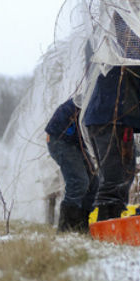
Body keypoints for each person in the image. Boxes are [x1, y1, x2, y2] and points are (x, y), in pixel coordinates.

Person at [83, 12, 140, 221]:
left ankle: (113, 223)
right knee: (114, 176)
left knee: (122, 172)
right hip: (114, 115)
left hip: (107, 115)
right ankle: (105, 228)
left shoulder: (97, 36)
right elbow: (139, 63)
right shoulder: (120, 31)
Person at [45, 96, 97, 232]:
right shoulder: (96, 96)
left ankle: (82, 226)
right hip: (59, 139)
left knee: (93, 183)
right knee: (78, 181)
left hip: (75, 141)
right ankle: (66, 228)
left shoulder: (103, 96)